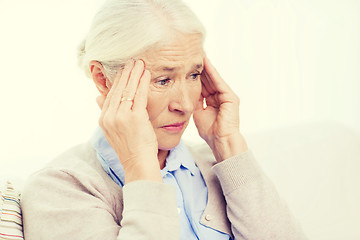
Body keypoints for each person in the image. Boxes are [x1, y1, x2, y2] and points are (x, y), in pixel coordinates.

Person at [21, 0, 308, 239]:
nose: (186, 104)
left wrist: (229, 145)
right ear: (103, 79)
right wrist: (140, 168)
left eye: (194, 75)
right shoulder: (59, 189)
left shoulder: (215, 165)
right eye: (163, 79)